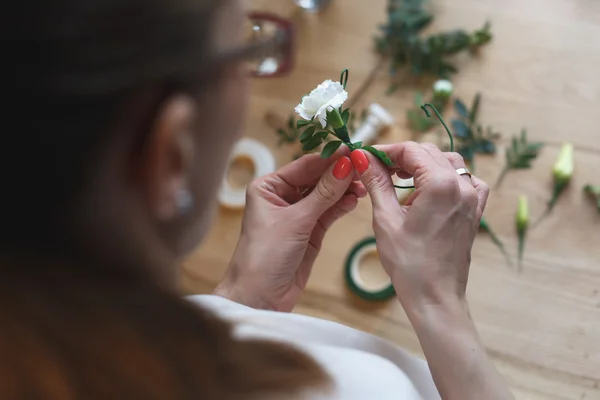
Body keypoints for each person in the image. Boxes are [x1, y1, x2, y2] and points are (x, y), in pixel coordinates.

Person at [2, 0, 514, 398]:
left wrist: (241, 306)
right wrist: (441, 305)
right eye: (246, 53)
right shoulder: (353, 390)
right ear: (170, 154)